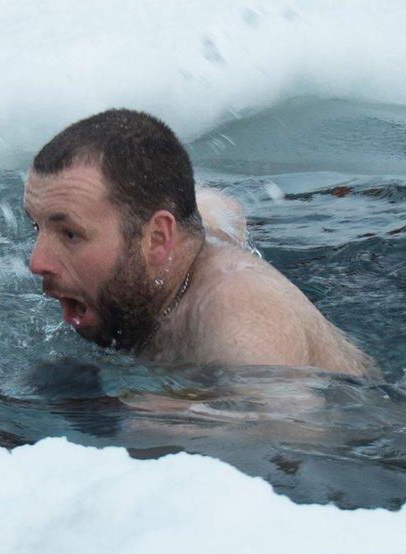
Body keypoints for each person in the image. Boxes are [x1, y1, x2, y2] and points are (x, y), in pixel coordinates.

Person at [23, 109, 372, 376]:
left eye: (70, 234)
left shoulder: (244, 329)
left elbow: (286, 449)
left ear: (159, 238)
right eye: (37, 227)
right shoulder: (188, 235)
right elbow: (219, 208)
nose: (36, 263)